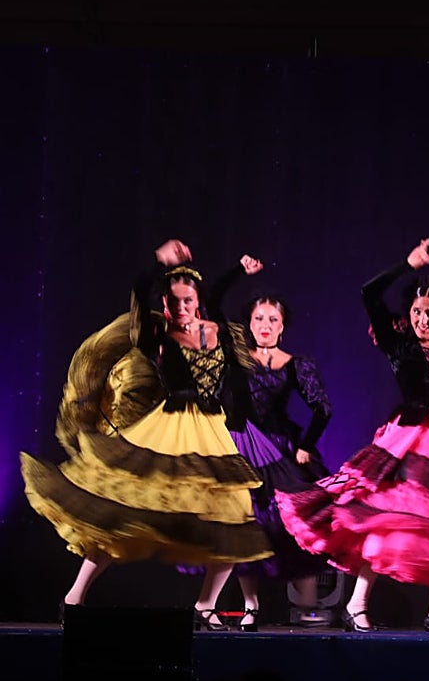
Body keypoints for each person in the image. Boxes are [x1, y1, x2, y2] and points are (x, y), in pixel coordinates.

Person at [276, 238, 429, 632]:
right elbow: (370, 293)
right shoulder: (400, 344)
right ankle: (357, 604)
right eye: (416, 311)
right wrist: (407, 265)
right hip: (411, 439)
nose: (423, 320)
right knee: (386, 517)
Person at [20, 239, 272, 630]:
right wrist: (159, 263)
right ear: (165, 304)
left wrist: (239, 270)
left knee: (233, 517)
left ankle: (205, 604)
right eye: (174, 303)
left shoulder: (215, 328)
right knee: (122, 511)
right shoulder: (157, 334)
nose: (182, 309)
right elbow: (140, 292)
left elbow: (218, 299)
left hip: (210, 432)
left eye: (188, 302)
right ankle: (75, 596)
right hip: (168, 427)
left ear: (198, 301)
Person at [224, 292, 336, 629]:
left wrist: (306, 445)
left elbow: (322, 406)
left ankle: (307, 604)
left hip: (281, 449)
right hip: (243, 447)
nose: (265, 326)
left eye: (273, 320)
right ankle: (250, 605)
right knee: (246, 524)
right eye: (259, 319)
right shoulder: (237, 361)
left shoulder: (295, 364)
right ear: (249, 324)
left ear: (282, 327)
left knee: (294, 523)